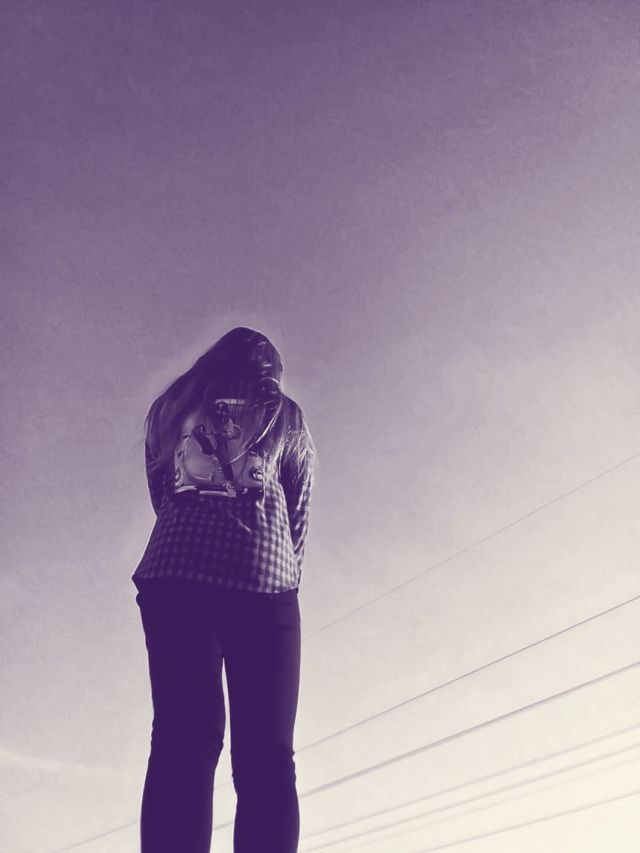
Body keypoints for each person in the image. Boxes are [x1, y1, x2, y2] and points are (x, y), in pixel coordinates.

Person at [131, 326, 317, 853]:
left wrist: (196, 540)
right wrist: (281, 574)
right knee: (267, 758)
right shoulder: (285, 417)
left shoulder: (171, 411)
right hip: (262, 578)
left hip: (175, 575)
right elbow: (298, 512)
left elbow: (162, 493)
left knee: (182, 740)